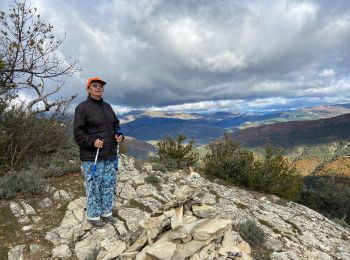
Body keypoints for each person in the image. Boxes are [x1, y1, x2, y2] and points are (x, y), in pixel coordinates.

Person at [73, 77, 124, 228]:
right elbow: (78, 133)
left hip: (109, 155)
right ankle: (93, 215)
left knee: (108, 184)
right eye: (95, 86)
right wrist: (92, 142)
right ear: (88, 89)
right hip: (92, 156)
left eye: (101, 86)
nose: (98, 88)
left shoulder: (107, 107)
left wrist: (119, 135)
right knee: (94, 186)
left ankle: (107, 212)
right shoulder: (82, 108)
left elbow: (115, 125)